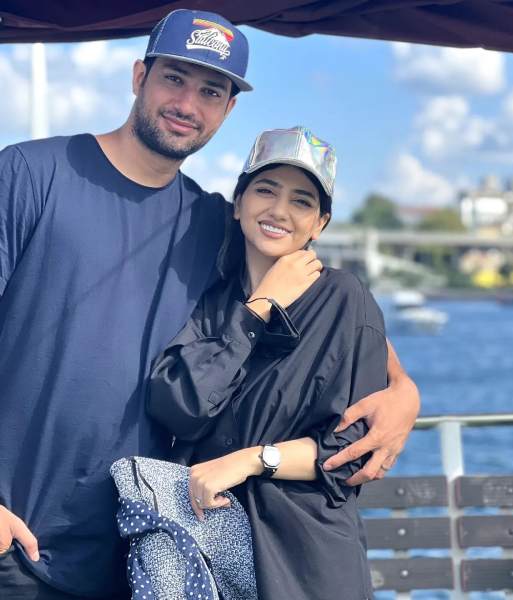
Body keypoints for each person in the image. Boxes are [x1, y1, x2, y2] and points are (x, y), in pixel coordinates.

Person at [0, 9, 419, 600]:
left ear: (227, 110)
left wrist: (404, 392)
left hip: (137, 551)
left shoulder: (213, 223)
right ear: (139, 76)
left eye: (210, 91)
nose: (187, 103)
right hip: (17, 542)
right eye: (174, 78)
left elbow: (346, 328)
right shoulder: (29, 174)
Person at [147, 126, 386, 600]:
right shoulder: (210, 302)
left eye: (301, 201)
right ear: (238, 204)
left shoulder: (343, 298)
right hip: (206, 551)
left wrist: (251, 460)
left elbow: (352, 450)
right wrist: (258, 308)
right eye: (265, 190)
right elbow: (178, 408)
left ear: (319, 224)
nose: (279, 210)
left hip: (306, 558)